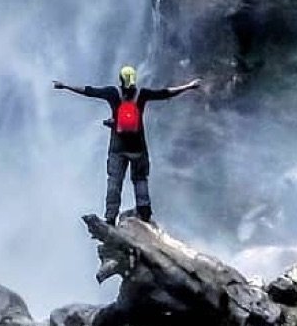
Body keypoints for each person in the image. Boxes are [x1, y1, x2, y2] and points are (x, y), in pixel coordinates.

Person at [53, 64, 201, 224]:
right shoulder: (142, 94)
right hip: (138, 147)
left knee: (114, 182)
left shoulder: (112, 93)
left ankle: (110, 217)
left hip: (118, 147)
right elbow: (165, 93)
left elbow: (89, 91)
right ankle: (144, 214)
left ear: (120, 79)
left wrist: (66, 86)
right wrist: (188, 86)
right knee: (140, 180)